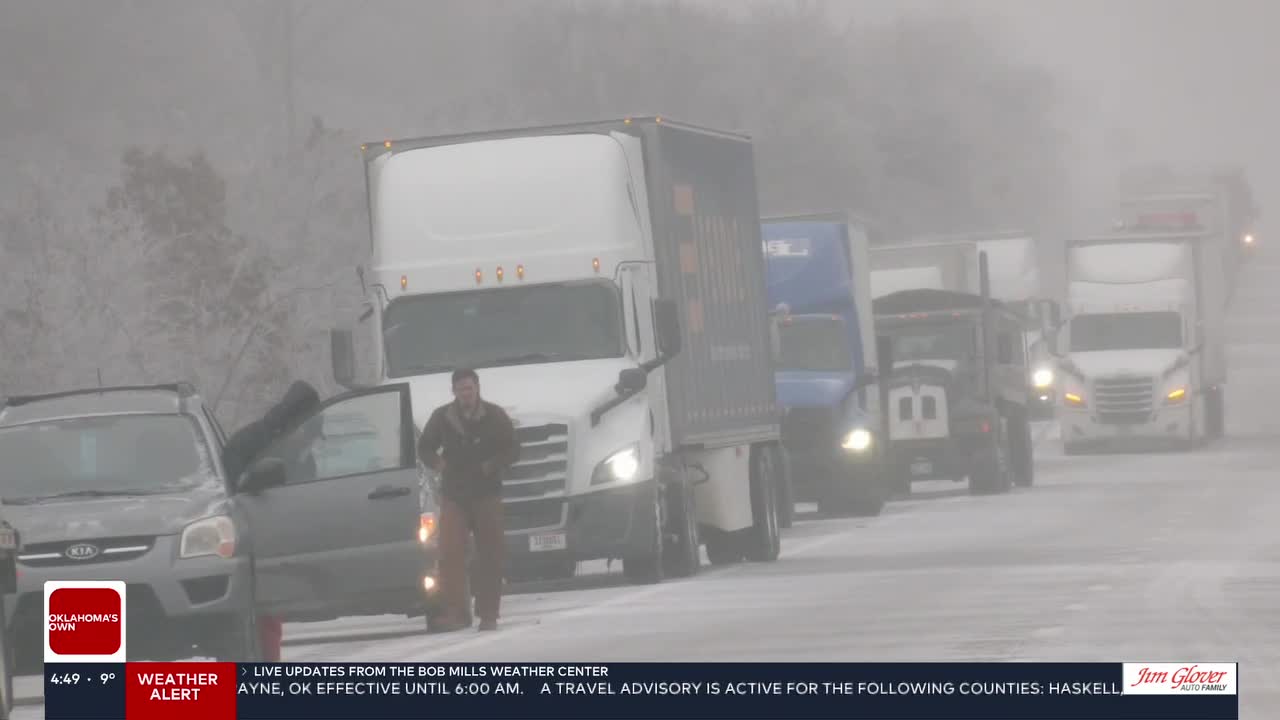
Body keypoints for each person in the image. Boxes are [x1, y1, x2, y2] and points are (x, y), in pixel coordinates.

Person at [221, 381, 321, 661]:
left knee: (269, 611)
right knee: (258, 611)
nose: (308, 437)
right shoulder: (255, 440)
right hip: (245, 533)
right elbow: (233, 481)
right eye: (306, 427)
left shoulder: (297, 447)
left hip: (274, 535)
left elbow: (306, 489)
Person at [417, 368, 519, 632]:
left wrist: (491, 466)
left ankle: (488, 614)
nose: (466, 393)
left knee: (490, 554)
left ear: (477, 388)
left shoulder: (495, 415)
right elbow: (425, 447)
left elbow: (513, 448)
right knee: (450, 554)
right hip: (455, 495)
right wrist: (439, 464)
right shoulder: (442, 417)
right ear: (454, 391)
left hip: (487, 494)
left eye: (470, 388)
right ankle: (456, 614)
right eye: (461, 389)